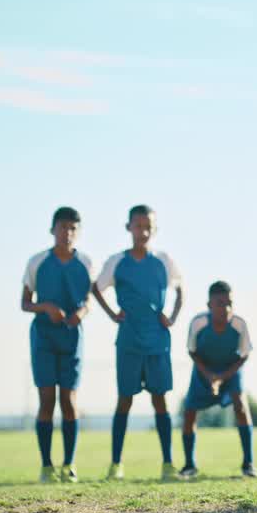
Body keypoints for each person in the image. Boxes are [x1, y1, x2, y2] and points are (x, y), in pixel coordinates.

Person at [92, 205, 185, 481]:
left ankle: (168, 463)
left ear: (153, 229)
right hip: (129, 339)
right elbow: (96, 288)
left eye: (148, 226)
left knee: (160, 402)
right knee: (124, 401)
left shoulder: (164, 260)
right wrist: (112, 314)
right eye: (137, 225)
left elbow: (180, 288)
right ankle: (116, 464)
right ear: (128, 227)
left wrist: (173, 315)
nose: (142, 231)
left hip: (157, 340)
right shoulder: (117, 261)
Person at [22, 206, 93, 483]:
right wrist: (46, 307)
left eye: (73, 228)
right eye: (63, 227)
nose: (67, 233)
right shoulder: (37, 262)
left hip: (72, 337)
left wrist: (82, 313)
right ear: (53, 230)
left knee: (69, 400)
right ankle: (46, 466)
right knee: (46, 401)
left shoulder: (86, 263)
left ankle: (69, 464)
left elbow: (88, 300)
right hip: (43, 337)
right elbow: (25, 302)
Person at [180, 281, 257, 478]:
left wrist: (223, 377)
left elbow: (244, 354)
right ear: (209, 305)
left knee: (241, 405)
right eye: (220, 303)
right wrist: (210, 376)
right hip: (204, 370)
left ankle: (248, 463)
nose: (226, 308)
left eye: (229, 302)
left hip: (230, 370)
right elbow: (192, 351)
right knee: (189, 412)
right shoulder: (198, 323)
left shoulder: (239, 324)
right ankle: (189, 465)